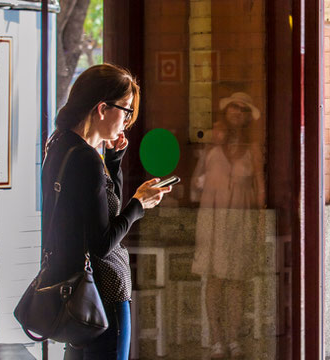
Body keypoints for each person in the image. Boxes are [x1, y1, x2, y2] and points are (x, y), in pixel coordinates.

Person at [41, 64, 172, 359]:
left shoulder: (60, 145)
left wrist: (112, 161)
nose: (126, 120)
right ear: (102, 108)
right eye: (125, 110)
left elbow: (96, 210)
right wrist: (139, 204)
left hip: (72, 291)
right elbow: (102, 241)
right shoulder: (86, 158)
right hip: (103, 293)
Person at [191, 91, 265, 359]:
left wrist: (259, 222)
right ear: (226, 112)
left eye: (243, 110)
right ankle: (216, 340)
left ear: (247, 117)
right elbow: (195, 182)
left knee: (236, 281)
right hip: (213, 219)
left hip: (240, 219)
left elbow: (259, 186)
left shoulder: (253, 148)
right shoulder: (212, 144)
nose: (238, 113)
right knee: (214, 279)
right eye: (233, 107)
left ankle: (233, 339)